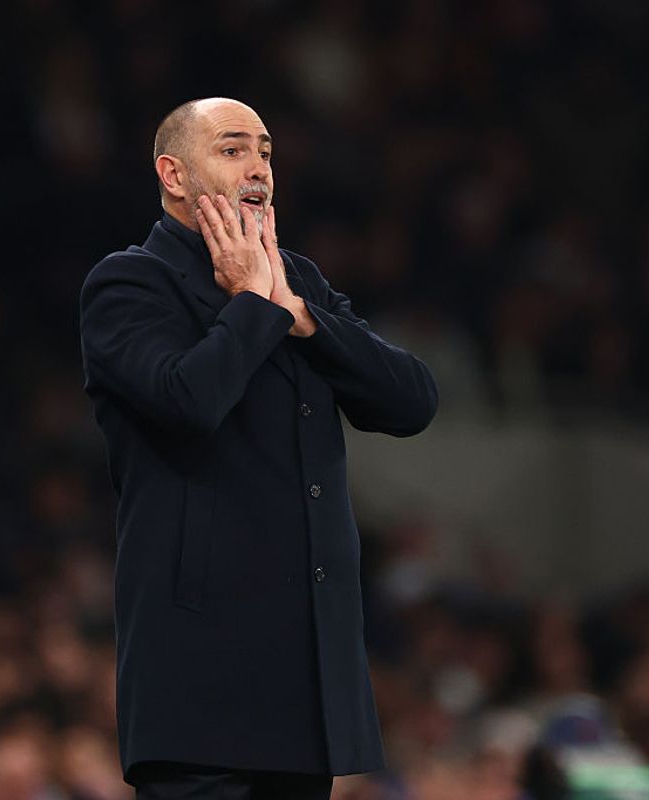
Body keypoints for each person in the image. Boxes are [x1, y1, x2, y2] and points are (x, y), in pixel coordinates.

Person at [78, 97, 438, 799]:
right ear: (174, 175)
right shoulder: (127, 283)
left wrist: (303, 317)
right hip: (198, 674)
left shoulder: (297, 279)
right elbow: (188, 403)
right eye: (234, 149)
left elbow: (412, 400)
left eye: (267, 152)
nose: (259, 169)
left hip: (304, 673)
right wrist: (253, 303)